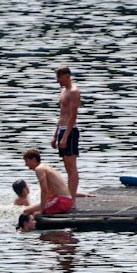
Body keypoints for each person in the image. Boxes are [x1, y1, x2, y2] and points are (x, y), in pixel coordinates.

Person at [16, 148, 72, 231]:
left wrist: (41, 210)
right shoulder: (45, 166)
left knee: (26, 211)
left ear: (33, 159)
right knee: (32, 211)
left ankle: (24, 230)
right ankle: (28, 226)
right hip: (64, 200)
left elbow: (44, 190)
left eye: (27, 161)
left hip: (61, 202)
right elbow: (49, 191)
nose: (26, 165)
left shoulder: (39, 169)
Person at [52, 67, 83, 197]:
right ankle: (69, 196)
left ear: (67, 76)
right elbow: (61, 115)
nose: (57, 80)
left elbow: (72, 116)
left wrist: (65, 137)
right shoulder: (63, 91)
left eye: (59, 77)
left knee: (71, 167)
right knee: (66, 166)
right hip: (62, 130)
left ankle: (72, 200)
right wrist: (55, 135)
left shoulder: (74, 92)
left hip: (70, 132)